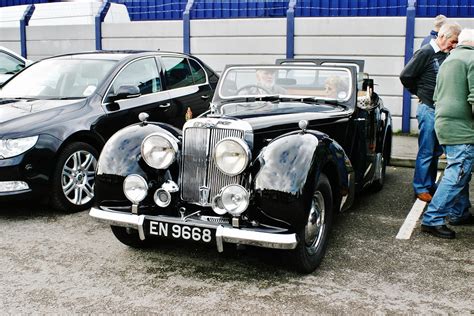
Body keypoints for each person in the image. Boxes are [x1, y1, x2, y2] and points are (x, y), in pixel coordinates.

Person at [420, 28, 474, 239]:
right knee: (458, 172)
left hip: (444, 123)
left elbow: (436, 94)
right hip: (462, 128)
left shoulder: (448, 60)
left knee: (460, 169)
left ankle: (459, 213)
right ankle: (432, 219)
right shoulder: (472, 59)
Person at [400, 22, 461, 203]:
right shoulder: (426, 52)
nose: (454, 45)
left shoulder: (444, 54)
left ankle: (429, 184)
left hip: (438, 110)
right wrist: (421, 93)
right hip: (428, 109)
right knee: (426, 150)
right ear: (442, 37)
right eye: (453, 41)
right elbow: (406, 75)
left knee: (435, 150)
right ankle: (420, 187)